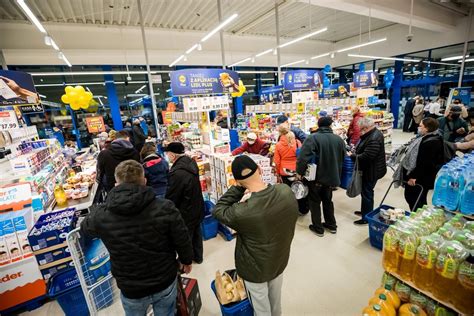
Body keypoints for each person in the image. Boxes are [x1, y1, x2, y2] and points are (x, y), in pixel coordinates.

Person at [80, 160, 193, 316]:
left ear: (116, 184)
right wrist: (186, 260)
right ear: (145, 181)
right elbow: (182, 237)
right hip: (164, 279)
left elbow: (85, 228)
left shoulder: (101, 215)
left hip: (131, 287)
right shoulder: (165, 207)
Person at [213, 155, 298, 316]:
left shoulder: (243, 212)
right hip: (279, 260)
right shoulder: (286, 191)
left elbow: (218, 210)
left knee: (261, 307)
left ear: (237, 180)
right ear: (259, 169)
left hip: (255, 270)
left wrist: (238, 188)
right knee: (275, 302)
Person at [296, 117, 346, 236]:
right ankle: (331, 225)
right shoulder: (339, 139)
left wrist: (299, 172)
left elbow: (303, 157)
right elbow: (343, 156)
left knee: (314, 201)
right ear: (330, 125)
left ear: (318, 125)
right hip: (332, 177)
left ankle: (318, 228)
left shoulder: (313, 138)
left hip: (316, 177)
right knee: (328, 200)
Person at [164, 142, 205, 264]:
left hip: (186, 209)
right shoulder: (191, 163)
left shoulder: (177, 173)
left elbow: (173, 195)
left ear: (172, 155)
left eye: (167, 153)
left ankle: (185, 261)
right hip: (197, 204)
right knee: (197, 232)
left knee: (186, 237)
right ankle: (198, 257)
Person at [403, 118, 445, 211]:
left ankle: (418, 218)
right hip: (422, 176)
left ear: (427, 128)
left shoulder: (430, 142)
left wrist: (413, 176)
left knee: (414, 198)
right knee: (417, 198)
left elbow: (425, 163)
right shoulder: (433, 137)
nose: (418, 127)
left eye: (421, 126)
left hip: (420, 178)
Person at [352, 117, 387, 225]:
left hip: (372, 171)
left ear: (366, 127)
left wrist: (353, 156)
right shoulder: (371, 134)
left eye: (361, 129)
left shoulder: (373, 138)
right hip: (371, 169)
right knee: (365, 192)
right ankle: (365, 211)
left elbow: (367, 156)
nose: (360, 131)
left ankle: (366, 218)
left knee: (367, 193)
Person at [274, 126, 308, 215]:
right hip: (297, 170)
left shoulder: (278, 145)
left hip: (285, 171)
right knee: (300, 189)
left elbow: (277, 161)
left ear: (280, 133)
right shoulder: (297, 142)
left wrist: (277, 174)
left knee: (287, 193)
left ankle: (290, 211)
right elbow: (301, 156)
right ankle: (303, 209)